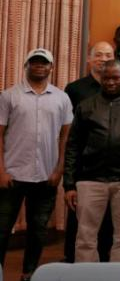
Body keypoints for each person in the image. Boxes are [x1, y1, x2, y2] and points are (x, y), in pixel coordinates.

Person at [64, 59, 120, 263]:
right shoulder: (86, 106)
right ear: (100, 78)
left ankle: (118, 276)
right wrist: (69, 184)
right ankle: (87, 277)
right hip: (90, 179)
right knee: (85, 236)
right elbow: (73, 146)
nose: (111, 82)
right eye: (106, 78)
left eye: (116, 78)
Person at [0, 49, 74, 280]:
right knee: (2, 229)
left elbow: (66, 138)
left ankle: (28, 274)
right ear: (27, 65)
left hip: (46, 176)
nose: (39, 66)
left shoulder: (62, 98)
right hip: (12, 174)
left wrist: (59, 170)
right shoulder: (9, 96)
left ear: (51, 67)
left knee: (38, 230)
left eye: (44, 62)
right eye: (35, 62)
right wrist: (1, 171)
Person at [62, 41, 120, 263]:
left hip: (113, 165)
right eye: (99, 55)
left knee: (109, 217)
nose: (103, 59)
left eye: (108, 55)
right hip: (84, 163)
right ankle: (72, 259)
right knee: (79, 214)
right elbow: (70, 132)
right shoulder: (74, 89)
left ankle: (104, 260)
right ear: (89, 59)